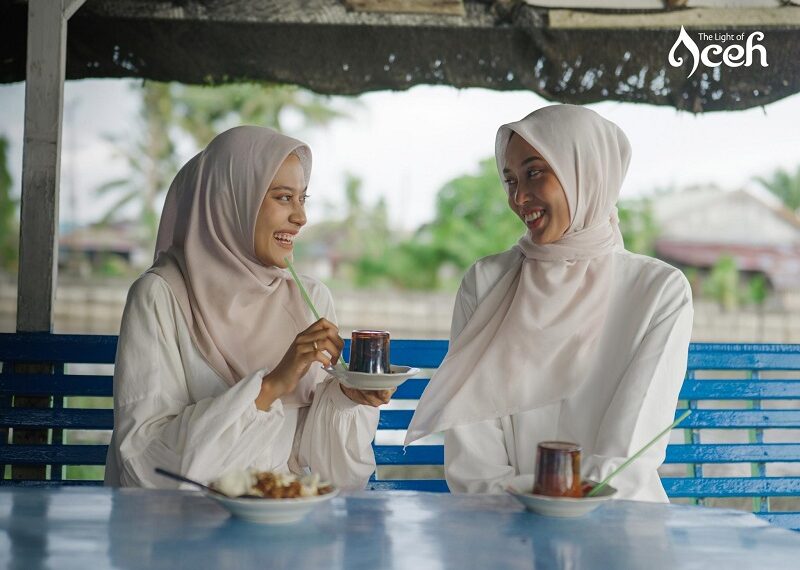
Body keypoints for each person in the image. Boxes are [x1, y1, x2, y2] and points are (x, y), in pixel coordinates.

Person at [405, 105, 693, 501]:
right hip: (501, 526)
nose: (519, 196)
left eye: (535, 172)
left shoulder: (657, 291)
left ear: (587, 171)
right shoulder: (486, 283)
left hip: (616, 524)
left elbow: (628, 451)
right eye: (509, 180)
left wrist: (566, 514)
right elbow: (474, 454)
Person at [105, 126, 392, 490]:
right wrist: (269, 387)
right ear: (231, 201)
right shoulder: (159, 297)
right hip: (186, 528)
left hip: (284, 522)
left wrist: (346, 399)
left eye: (303, 198)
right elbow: (143, 459)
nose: (301, 217)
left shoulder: (312, 300)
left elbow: (328, 470)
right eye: (283, 197)